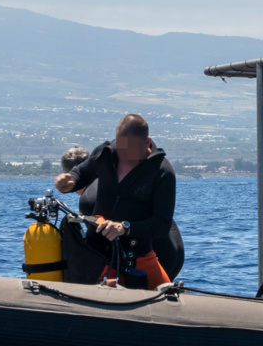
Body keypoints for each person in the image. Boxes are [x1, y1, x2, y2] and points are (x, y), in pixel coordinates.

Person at [55, 113, 176, 288]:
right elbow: (82, 172)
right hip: (96, 253)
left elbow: (162, 224)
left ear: (147, 143)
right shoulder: (105, 152)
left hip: (137, 256)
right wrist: (70, 180)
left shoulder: (162, 172)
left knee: (168, 300)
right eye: (121, 150)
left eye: (131, 152)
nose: (125, 157)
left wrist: (124, 228)